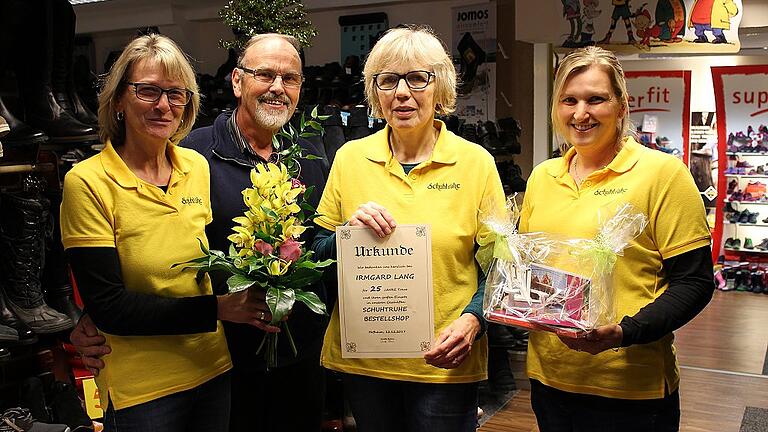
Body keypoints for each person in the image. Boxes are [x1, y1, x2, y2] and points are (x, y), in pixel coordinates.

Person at [68, 33, 328, 432]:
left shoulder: (309, 155)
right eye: (264, 74)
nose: (277, 87)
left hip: (281, 361)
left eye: (290, 78)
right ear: (237, 81)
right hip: (224, 362)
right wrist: (93, 315)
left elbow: (316, 246)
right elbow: (131, 266)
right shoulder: (200, 151)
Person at [311, 25, 505, 432]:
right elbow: (314, 251)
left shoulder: (476, 164)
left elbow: (502, 266)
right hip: (366, 361)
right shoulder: (349, 158)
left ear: (441, 87)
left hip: (444, 364)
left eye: (418, 78)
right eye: (387, 80)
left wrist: (473, 320)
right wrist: (346, 234)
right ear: (375, 91)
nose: (402, 93)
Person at [519, 46, 714, 431]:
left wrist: (625, 332)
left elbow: (694, 282)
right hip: (549, 379)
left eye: (596, 99)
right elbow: (534, 268)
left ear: (622, 105)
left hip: (630, 389)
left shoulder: (662, 174)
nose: (581, 113)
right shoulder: (543, 177)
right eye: (569, 100)